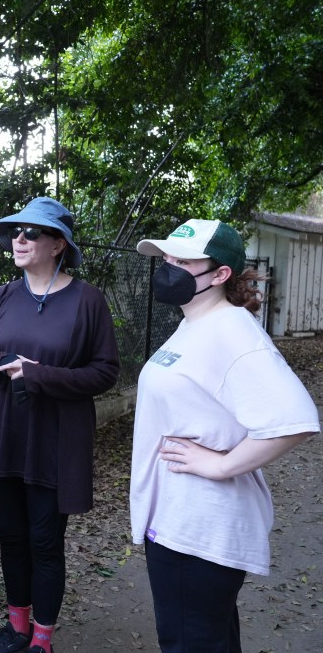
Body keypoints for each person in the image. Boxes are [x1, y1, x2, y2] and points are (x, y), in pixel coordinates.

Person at [131, 219, 319, 652]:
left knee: (190, 643)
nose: (168, 267)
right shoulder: (197, 322)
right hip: (178, 520)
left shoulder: (232, 331)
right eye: (167, 258)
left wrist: (220, 464)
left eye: (183, 261)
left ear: (220, 275)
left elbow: (295, 417)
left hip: (198, 528)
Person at [0, 197, 120, 653]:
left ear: (58, 244)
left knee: (45, 540)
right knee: (11, 535)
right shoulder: (1, 298)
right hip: (4, 436)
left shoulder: (88, 300)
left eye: (32, 233)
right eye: (15, 232)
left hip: (55, 439)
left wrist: (39, 374)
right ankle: (17, 630)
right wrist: (3, 362)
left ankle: (43, 640)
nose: (19, 239)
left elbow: (105, 373)